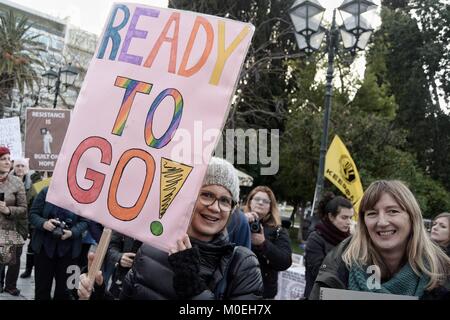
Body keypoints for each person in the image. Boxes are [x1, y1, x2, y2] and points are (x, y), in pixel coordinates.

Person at [78, 157, 263, 300]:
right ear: (188, 198)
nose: (215, 207)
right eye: (207, 195)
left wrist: (191, 285)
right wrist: (98, 293)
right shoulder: (150, 248)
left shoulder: (243, 265)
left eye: (225, 200)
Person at [310, 180, 450, 300]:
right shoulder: (341, 261)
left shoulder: (442, 268)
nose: (382, 222)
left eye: (393, 211)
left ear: (412, 217)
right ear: (364, 222)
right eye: (372, 213)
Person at [29, 186, 88, 300]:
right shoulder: (46, 191)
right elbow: (32, 214)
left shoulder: (82, 195)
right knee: (42, 289)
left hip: (70, 252)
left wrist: (72, 232)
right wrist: (44, 223)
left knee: (67, 291)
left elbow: (85, 221)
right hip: (43, 249)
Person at [244, 186, 292, 299]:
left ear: (271, 206)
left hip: (263, 291)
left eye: (265, 201)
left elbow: (285, 261)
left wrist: (263, 244)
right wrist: (240, 221)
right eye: (257, 199)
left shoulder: (278, 230)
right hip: (234, 286)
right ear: (250, 201)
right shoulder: (237, 219)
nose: (260, 203)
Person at [303, 192, 353, 299]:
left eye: (350, 218)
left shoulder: (350, 239)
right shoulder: (316, 238)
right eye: (344, 217)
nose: (349, 222)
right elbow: (320, 273)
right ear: (331, 216)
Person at [0, 147, 27, 296]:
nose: (7, 162)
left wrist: (8, 210)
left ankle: (10, 285)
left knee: (13, 260)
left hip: (12, 229)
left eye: (8, 159)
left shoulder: (17, 182)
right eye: (3, 159)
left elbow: (23, 208)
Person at [106, 230, 142, 299]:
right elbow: (111, 247)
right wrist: (119, 257)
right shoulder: (125, 222)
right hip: (121, 277)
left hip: (144, 285)